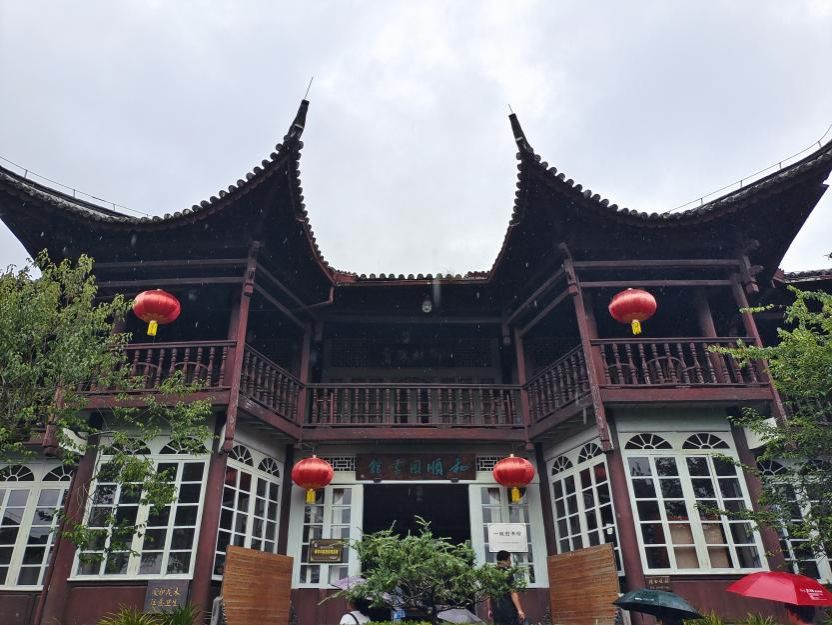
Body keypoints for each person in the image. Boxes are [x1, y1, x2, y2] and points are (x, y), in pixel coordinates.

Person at [487, 550, 526, 625]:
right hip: (509, 610)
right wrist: (520, 610)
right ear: (505, 560)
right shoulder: (508, 574)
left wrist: (489, 609)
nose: (510, 562)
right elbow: (513, 593)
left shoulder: (491, 574)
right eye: (509, 559)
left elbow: (489, 593)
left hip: (496, 610)